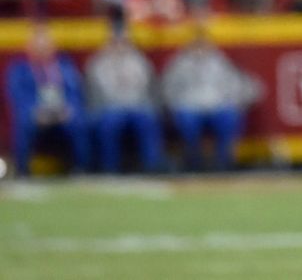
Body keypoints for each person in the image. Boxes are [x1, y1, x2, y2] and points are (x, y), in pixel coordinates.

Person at [160, 22, 254, 170]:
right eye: (197, 45)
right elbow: (167, 88)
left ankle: (224, 161)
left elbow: (236, 85)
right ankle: (193, 160)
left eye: (203, 45)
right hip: (189, 105)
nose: (200, 49)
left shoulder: (220, 62)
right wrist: (174, 105)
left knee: (230, 115)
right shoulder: (179, 64)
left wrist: (236, 102)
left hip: (216, 105)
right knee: (186, 118)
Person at [5, 23, 91, 175]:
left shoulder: (64, 67)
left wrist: (69, 109)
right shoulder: (20, 68)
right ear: (29, 48)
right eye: (38, 46)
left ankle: (81, 168)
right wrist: (35, 112)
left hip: (61, 111)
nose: (42, 49)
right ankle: (22, 171)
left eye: (46, 45)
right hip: (35, 112)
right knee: (24, 123)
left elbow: (75, 93)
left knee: (78, 120)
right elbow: (18, 96)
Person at [85, 23, 165, 173]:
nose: (120, 46)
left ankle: (152, 166)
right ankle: (110, 167)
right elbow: (94, 94)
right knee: (110, 123)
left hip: (137, 106)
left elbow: (150, 89)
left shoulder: (140, 62)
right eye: (116, 42)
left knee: (147, 120)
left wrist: (151, 107)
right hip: (109, 108)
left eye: (124, 42)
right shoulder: (98, 63)